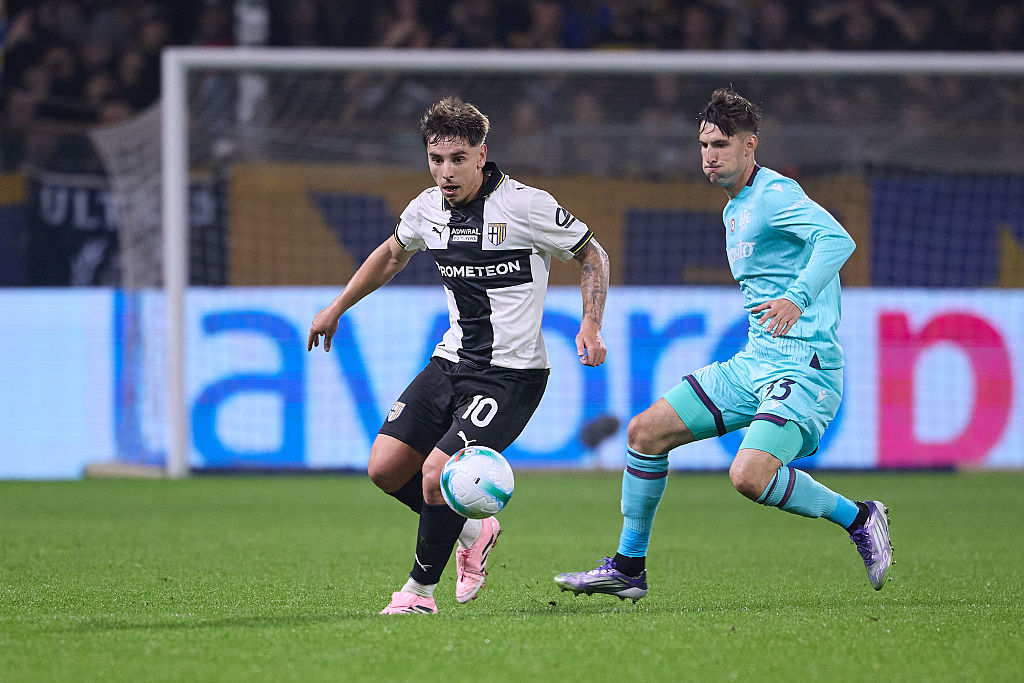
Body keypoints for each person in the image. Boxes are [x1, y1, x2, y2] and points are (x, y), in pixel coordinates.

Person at [554, 88, 892, 601]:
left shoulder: (775, 194)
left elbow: (837, 240)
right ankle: (628, 567)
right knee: (645, 433)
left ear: (750, 145)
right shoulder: (734, 209)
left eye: (721, 144)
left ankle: (860, 517)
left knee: (749, 475)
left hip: (805, 368)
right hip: (755, 363)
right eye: (704, 145)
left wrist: (797, 298)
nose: (709, 155)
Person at [308, 96, 610, 614]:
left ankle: (418, 593)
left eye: (458, 159)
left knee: (436, 473)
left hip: (510, 377)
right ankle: (474, 528)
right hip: (450, 362)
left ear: (481, 155)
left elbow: (592, 253)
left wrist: (591, 322)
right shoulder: (426, 208)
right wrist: (337, 307)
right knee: (384, 468)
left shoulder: (526, 206)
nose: (445, 171)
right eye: (436, 159)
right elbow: (392, 254)